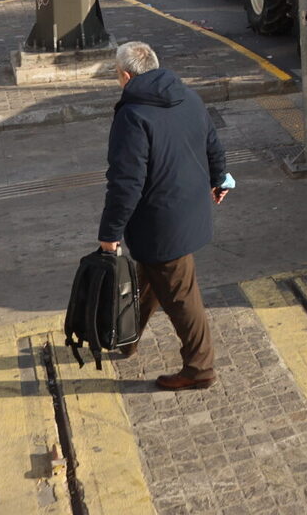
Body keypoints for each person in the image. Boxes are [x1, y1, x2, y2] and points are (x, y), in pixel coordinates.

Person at [96, 42, 229, 391]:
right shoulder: (188, 96)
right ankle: (126, 338)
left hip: (161, 222)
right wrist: (220, 178)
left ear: (125, 75)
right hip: (188, 208)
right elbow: (212, 142)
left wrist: (110, 233)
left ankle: (200, 368)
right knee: (152, 277)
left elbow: (126, 183)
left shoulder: (132, 115)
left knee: (182, 296)